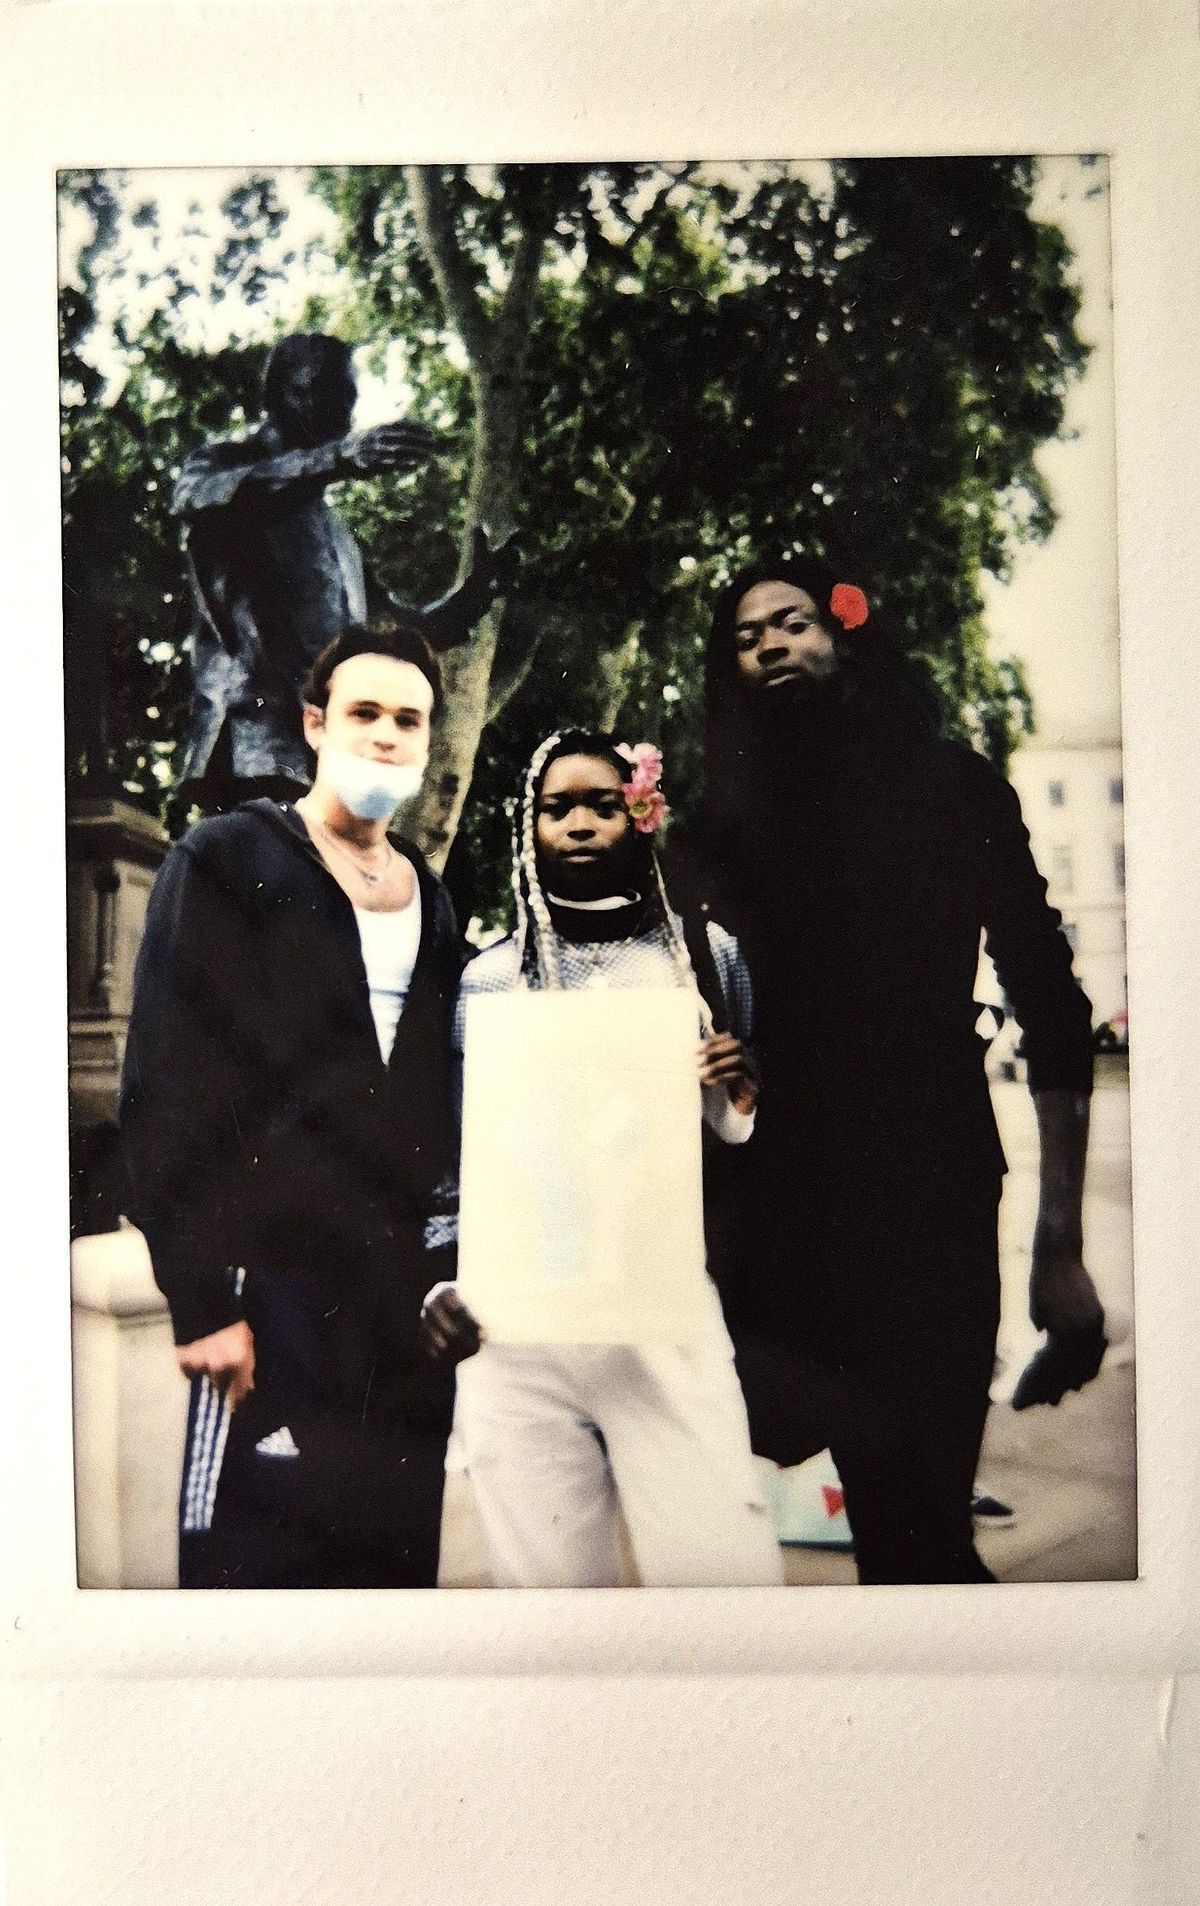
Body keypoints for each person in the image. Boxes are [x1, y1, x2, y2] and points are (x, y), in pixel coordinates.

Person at [696, 554, 1106, 1584]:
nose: (771, 646)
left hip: (934, 1190)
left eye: (790, 622)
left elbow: (1051, 1004)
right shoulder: (719, 827)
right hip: (790, 1216)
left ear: (845, 632)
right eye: (746, 639)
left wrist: (1060, 1247)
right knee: (895, 1524)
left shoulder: (952, 785)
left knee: (916, 1526)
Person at [120, 620, 466, 1587]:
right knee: (253, 1582)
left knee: (391, 1582)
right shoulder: (227, 859)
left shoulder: (433, 900)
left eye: (410, 719)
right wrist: (201, 1301)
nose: (387, 735)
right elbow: (165, 1084)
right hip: (263, 1304)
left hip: (397, 1318)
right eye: (364, 712)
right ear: (316, 724)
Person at [421, 732, 785, 1588]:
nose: (579, 822)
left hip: (656, 1310)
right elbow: (458, 1152)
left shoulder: (702, 958)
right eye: (557, 807)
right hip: (518, 1329)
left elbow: (736, 1128)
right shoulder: (486, 979)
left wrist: (738, 1090)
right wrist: (443, 1276)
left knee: (720, 1576)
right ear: (528, 826)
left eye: (602, 803)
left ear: (640, 815)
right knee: (549, 1602)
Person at [170, 330, 517, 821]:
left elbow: (398, 631)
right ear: (283, 393)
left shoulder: (337, 537)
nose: (343, 412)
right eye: (328, 392)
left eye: (349, 398)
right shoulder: (224, 465)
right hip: (253, 741)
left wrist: (477, 594)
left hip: (327, 758)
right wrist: (338, 459)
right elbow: (200, 499)